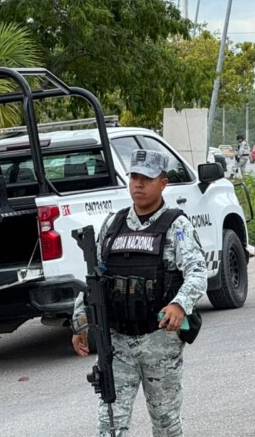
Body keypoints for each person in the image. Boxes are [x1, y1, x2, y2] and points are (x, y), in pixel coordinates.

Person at [71, 149, 208, 437]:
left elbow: (197, 272)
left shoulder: (176, 226)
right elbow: (94, 280)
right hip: (117, 344)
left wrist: (179, 305)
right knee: (109, 424)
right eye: (134, 176)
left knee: (166, 423)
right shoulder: (112, 225)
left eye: (146, 178)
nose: (138, 184)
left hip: (159, 341)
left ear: (163, 183)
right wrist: (81, 321)